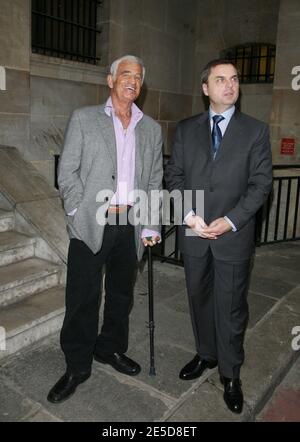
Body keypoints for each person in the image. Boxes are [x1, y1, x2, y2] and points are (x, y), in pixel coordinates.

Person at [47, 55, 163, 403]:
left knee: (121, 295)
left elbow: (154, 180)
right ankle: (77, 365)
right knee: (82, 298)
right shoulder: (84, 119)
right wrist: (77, 210)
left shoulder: (152, 129)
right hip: (91, 223)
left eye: (139, 77)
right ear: (110, 80)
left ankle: (109, 348)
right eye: (126, 74)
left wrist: (150, 223)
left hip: (130, 224)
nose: (133, 81)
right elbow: (67, 172)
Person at [164, 59, 272, 414]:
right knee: (199, 298)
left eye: (235, 79)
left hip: (232, 237)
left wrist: (231, 220)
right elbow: (174, 176)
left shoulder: (255, 131)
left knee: (231, 306)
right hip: (194, 234)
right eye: (220, 79)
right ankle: (206, 354)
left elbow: (261, 185)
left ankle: (230, 373)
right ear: (205, 89)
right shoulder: (186, 129)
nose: (230, 85)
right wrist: (189, 217)